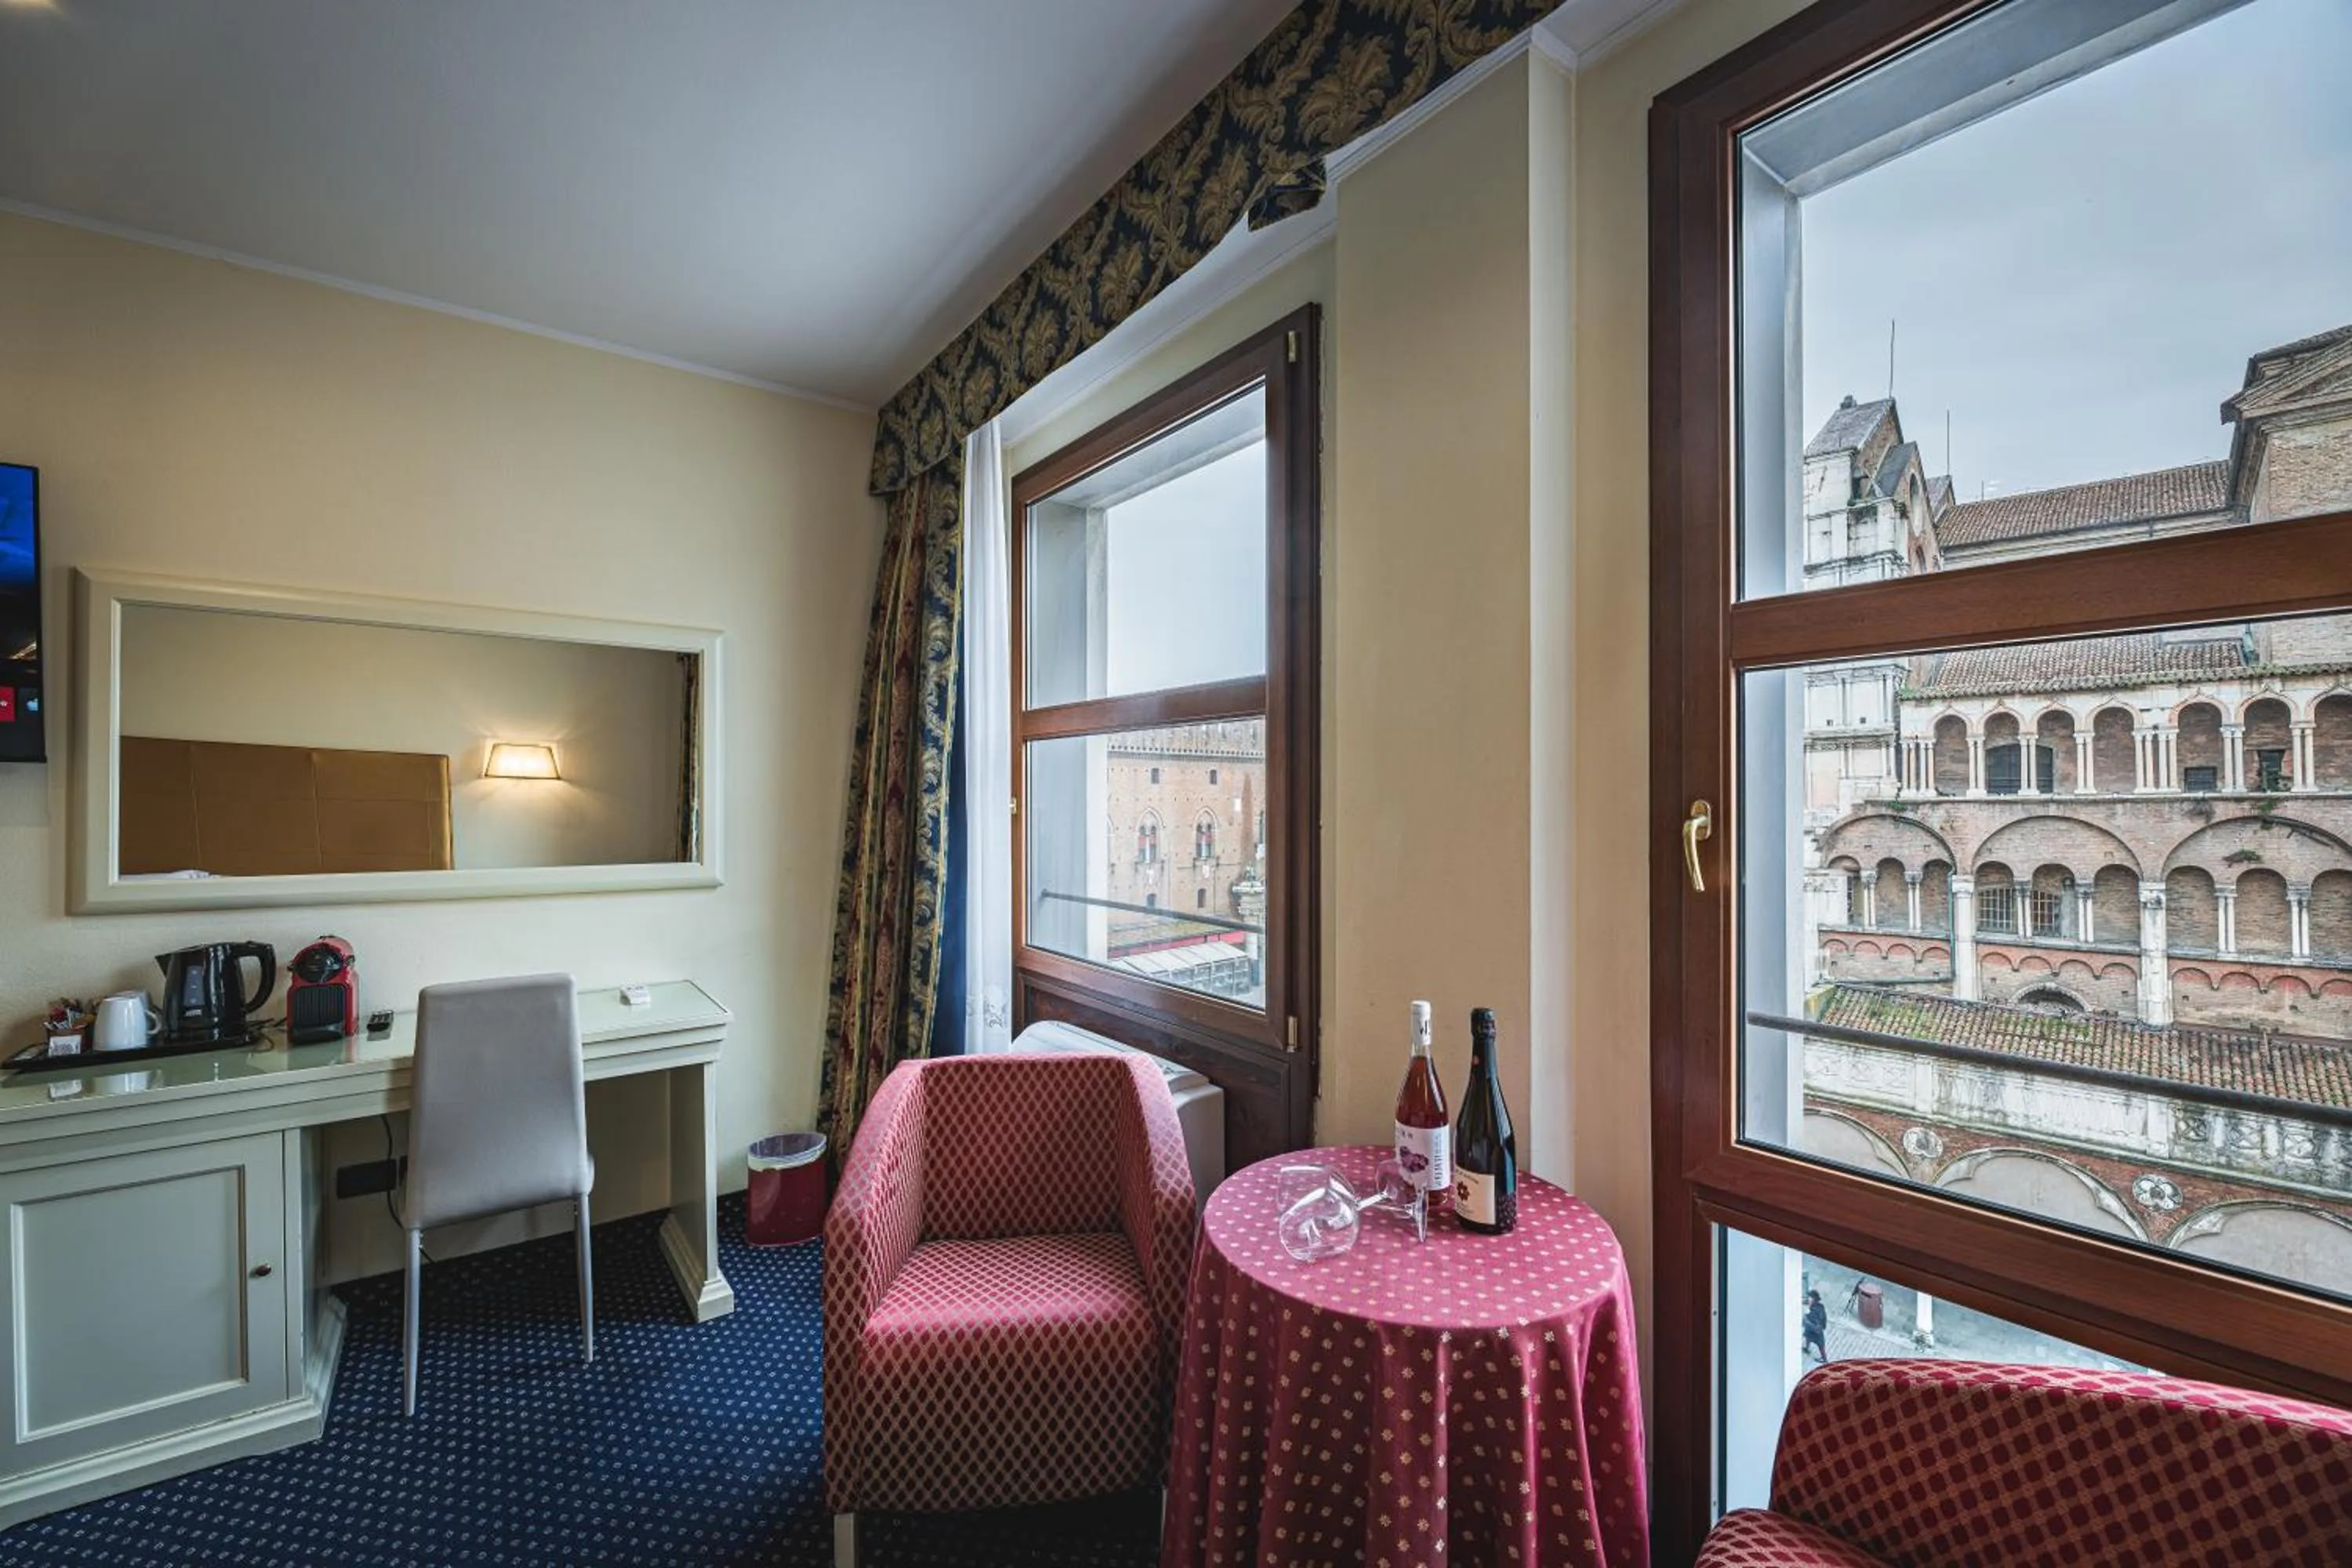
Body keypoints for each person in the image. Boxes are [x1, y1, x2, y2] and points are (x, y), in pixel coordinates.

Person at [1802, 1288, 1829, 1363]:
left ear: (1813, 1299)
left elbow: (1813, 1319)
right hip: (1814, 1329)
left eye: (1810, 1297)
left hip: (1816, 1330)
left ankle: (1824, 1359)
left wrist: (1806, 1318)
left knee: (1820, 1344)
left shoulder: (1815, 1309)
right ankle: (1807, 1348)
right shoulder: (1819, 1306)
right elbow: (1824, 1317)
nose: (1809, 1299)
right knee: (1808, 1336)